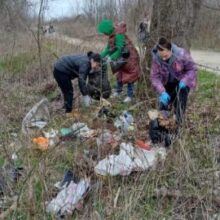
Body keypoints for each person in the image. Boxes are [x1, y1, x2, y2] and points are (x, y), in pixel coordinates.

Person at [150, 37, 197, 125]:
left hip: (182, 83)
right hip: (167, 83)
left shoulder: (181, 54)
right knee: (163, 105)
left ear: (170, 50)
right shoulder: (156, 59)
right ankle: (163, 125)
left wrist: (185, 80)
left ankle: (179, 123)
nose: (163, 59)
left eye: (165, 56)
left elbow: (192, 69)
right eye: (161, 56)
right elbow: (154, 77)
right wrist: (162, 91)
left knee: (180, 103)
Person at [97, 19, 140, 103]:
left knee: (130, 76)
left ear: (107, 29)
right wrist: (100, 56)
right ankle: (118, 91)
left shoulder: (119, 35)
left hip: (130, 58)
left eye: (104, 32)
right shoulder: (112, 35)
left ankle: (129, 95)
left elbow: (120, 49)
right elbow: (108, 49)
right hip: (122, 59)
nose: (104, 34)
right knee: (120, 74)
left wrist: (111, 58)